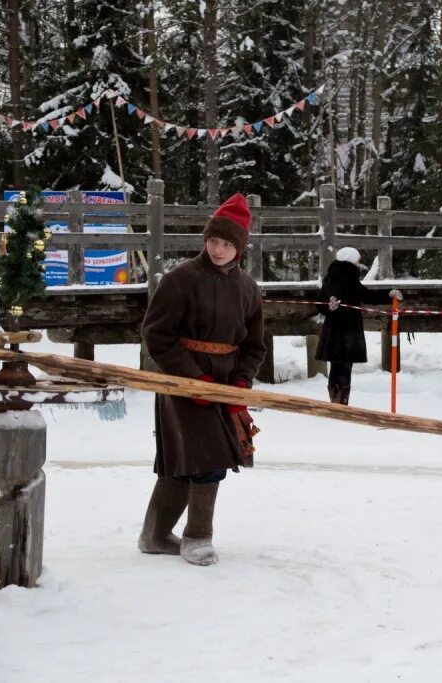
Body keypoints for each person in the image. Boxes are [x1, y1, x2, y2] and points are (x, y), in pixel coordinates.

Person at [139, 193, 267, 567]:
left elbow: (254, 345)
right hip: (182, 385)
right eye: (213, 240)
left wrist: (241, 382)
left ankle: (154, 535)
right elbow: (157, 334)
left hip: (225, 387)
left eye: (227, 243)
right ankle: (197, 539)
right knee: (204, 459)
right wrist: (193, 381)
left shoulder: (248, 289)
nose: (218, 249)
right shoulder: (181, 279)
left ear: (239, 247)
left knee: (191, 459)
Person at [316, 247, 403, 405]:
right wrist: (388, 295)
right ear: (350, 261)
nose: (358, 263)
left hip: (333, 331)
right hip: (347, 331)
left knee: (336, 366)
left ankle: (336, 402)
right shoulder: (349, 276)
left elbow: (320, 303)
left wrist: (328, 306)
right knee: (344, 367)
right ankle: (341, 403)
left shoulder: (329, 276)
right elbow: (366, 295)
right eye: (357, 260)